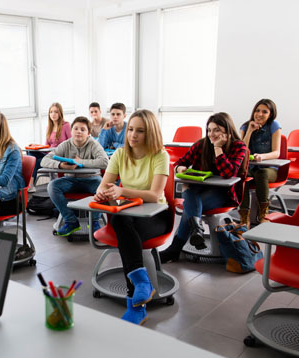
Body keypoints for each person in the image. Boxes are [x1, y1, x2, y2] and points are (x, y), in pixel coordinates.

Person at [94, 109, 170, 326]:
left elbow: (154, 196)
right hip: (127, 215)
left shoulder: (160, 155)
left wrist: (122, 191)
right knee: (120, 220)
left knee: (124, 228)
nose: (133, 135)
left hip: (155, 217)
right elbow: (104, 184)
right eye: (131, 130)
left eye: (140, 131)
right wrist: (103, 192)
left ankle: (136, 303)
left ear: (151, 133)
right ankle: (141, 285)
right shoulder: (119, 154)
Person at [160, 113, 248, 263]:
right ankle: (196, 230)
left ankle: (177, 247)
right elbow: (179, 163)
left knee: (189, 207)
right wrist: (181, 168)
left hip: (224, 194)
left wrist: (218, 148)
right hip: (198, 191)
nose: (211, 134)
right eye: (209, 130)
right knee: (189, 192)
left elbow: (228, 173)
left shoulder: (239, 146)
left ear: (227, 131)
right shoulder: (201, 144)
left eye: (217, 130)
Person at [41, 116, 108, 236]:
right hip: (70, 180)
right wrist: (61, 165)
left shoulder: (94, 144)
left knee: (102, 187)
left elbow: (104, 162)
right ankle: (71, 221)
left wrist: (81, 162)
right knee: (52, 186)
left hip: (92, 180)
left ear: (88, 133)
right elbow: (44, 160)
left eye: (83, 129)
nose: (79, 131)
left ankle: (94, 221)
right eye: (76, 128)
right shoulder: (65, 145)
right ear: (71, 131)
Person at [239, 99, 282, 226]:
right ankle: (244, 217)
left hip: (269, 169)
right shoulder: (245, 126)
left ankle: (263, 212)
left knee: (261, 173)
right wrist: (250, 131)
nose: (260, 114)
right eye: (257, 111)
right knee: (242, 176)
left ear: (270, 114)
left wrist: (262, 157)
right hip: (250, 168)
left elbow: (276, 153)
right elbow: (241, 150)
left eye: (265, 112)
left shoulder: (274, 126)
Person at [27, 102, 72, 192]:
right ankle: (30, 184)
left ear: (60, 113)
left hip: (59, 156)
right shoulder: (49, 127)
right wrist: (35, 146)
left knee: (36, 161)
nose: (53, 114)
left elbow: (71, 143)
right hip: (49, 154)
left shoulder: (66, 125)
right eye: (51, 112)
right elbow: (46, 145)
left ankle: (30, 184)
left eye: (56, 112)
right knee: (31, 154)